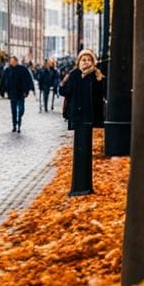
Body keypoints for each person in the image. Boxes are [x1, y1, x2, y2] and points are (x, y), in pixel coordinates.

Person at [59, 49, 106, 194]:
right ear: (78, 61)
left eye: (88, 59)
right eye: (83, 59)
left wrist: (100, 81)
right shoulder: (73, 75)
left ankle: (85, 187)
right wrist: (64, 82)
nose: (86, 62)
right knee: (79, 149)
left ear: (93, 62)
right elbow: (63, 92)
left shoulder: (96, 75)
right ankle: (79, 187)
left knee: (86, 149)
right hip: (77, 116)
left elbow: (102, 94)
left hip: (90, 116)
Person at [1, 55, 35, 133]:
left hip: (21, 93)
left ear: (16, 61)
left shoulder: (22, 69)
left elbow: (28, 79)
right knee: (13, 110)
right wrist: (3, 91)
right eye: (11, 61)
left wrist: (29, 90)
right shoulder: (8, 70)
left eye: (13, 61)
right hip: (12, 93)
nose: (11, 63)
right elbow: (4, 80)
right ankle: (14, 125)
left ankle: (19, 122)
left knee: (21, 110)